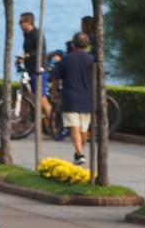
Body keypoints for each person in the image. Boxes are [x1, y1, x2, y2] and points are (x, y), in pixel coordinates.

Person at [53, 32, 95, 166]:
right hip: (88, 98)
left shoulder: (66, 59)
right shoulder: (92, 60)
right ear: (87, 45)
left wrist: (54, 91)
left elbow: (55, 77)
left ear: (73, 44)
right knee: (84, 130)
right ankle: (79, 152)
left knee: (74, 127)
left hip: (70, 97)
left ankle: (80, 153)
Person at [15, 12, 52, 124]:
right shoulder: (26, 35)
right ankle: (23, 122)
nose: (19, 24)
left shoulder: (36, 34)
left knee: (42, 99)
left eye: (21, 22)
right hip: (30, 69)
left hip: (39, 70)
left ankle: (51, 124)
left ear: (29, 22)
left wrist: (27, 55)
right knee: (26, 97)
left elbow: (41, 51)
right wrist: (22, 59)